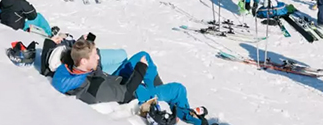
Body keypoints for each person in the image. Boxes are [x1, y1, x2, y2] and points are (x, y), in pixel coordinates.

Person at [52, 38, 208, 124]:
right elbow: (126, 93)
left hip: (114, 79)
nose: (98, 57)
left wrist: (84, 43)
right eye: (94, 56)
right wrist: (140, 69)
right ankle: (188, 115)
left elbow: (91, 67)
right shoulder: (94, 88)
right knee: (179, 89)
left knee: (144, 54)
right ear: (84, 61)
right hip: (132, 92)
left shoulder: (70, 69)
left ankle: (160, 94)